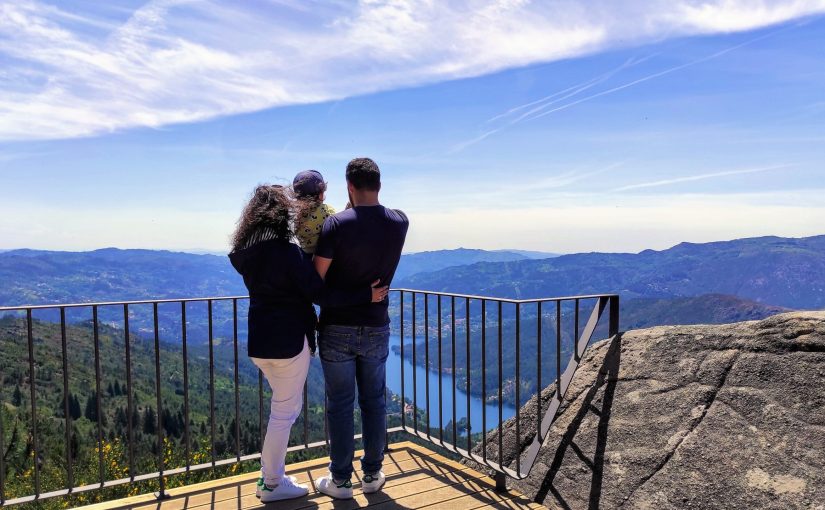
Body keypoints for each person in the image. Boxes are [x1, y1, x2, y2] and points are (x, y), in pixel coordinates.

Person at [228, 184, 388, 503]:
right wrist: (364, 295)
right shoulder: (287, 253)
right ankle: (271, 482)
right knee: (283, 413)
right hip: (289, 341)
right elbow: (319, 293)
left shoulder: (246, 255)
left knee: (283, 409)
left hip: (260, 341)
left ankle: (272, 477)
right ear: (281, 215)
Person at [313, 158, 409, 499]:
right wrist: (368, 296)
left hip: (337, 328)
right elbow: (374, 219)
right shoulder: (400, 222)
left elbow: (315, 286)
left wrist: (354, 294)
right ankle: (372, 474)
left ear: (349, 186)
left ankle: (340, 481)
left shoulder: (335, 225)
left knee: (340, 404)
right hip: (376, 327)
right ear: (379, 185)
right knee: (374, 402)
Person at [293, 169, 336, 255]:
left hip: (305, 255)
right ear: (321, 194)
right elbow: (339, 225)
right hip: (327, 256)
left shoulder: (297, 216)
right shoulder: (328, 210)